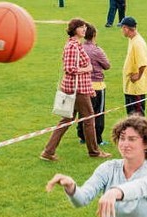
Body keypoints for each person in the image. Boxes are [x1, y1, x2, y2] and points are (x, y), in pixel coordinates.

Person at [41, 18, 111, 162]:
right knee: (89, 119)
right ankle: (94, 151)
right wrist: (87, 68)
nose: (84, 30)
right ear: (74, 29)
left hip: (76, 88)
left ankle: (48, 151)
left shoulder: (75, 44)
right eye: (81, 27)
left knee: (67, 120)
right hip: (77, 90)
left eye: (85, 27)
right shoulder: (73, 46)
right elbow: (69, 68)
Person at [77, 23, 111, 146]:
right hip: (97, 85)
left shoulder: (79, 48)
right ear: (94, 35)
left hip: (83, 84)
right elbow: (107, 65)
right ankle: (98, 138)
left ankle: (82, 136)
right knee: (98, 113)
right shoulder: (96, 50)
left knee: (84, 112)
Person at [120, 16, 147, 116]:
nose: (122, 31)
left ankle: (142, 132)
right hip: (131, 87)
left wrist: (138, 76)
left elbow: (143, 63)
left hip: (136, 88)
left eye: (122, 28)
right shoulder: (132, 39)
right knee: (131, 116)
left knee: (137, 117)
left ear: (126, 28)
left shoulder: (138, 43)